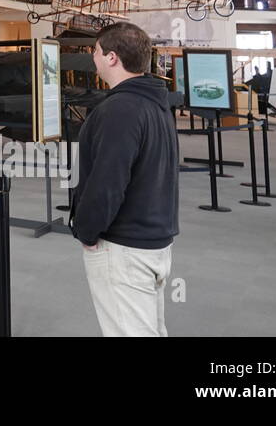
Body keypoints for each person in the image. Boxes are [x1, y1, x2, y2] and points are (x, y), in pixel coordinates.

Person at [72, 22, 179, 336]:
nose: (93, 58)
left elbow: (108, 182)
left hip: (122, 247)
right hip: (154, 242)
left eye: (96, 52)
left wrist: (87, 232)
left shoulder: (120, 110)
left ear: (112, 57)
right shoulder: (156, 105)